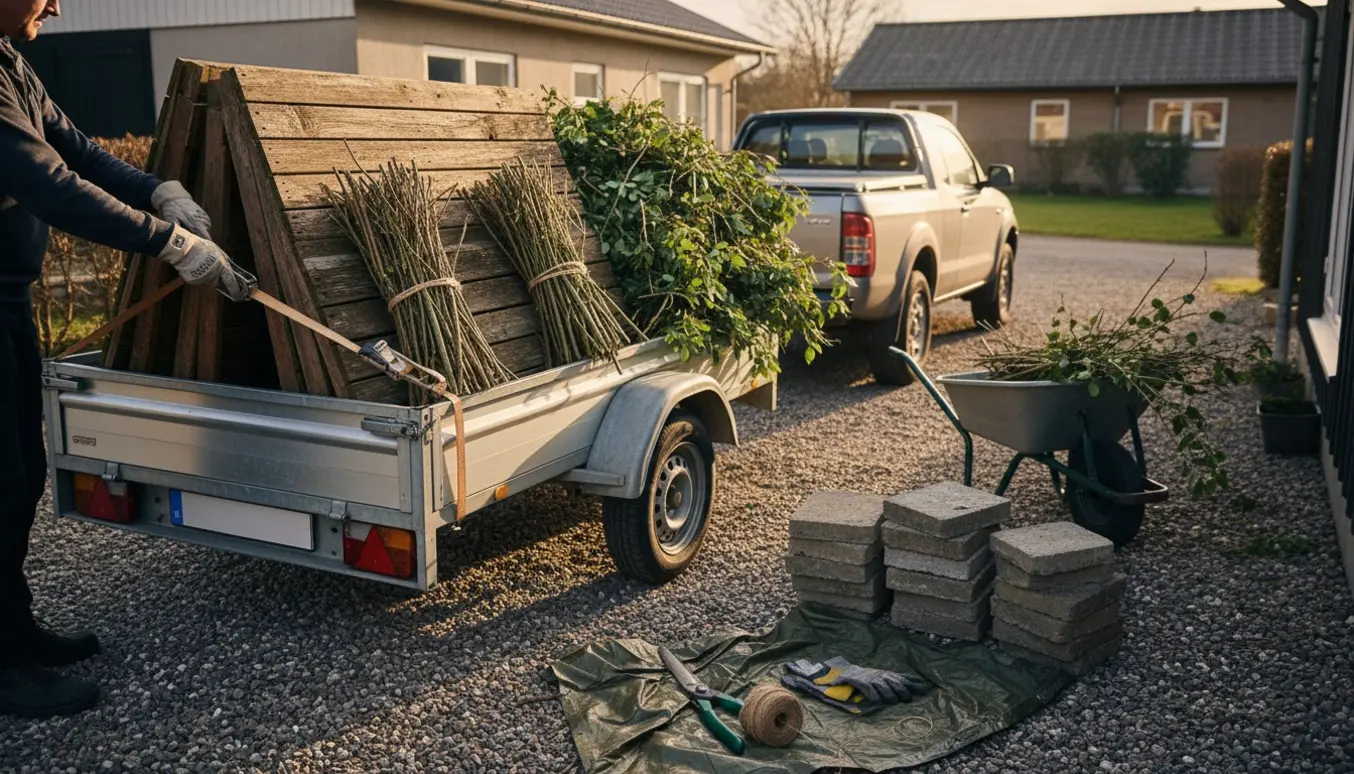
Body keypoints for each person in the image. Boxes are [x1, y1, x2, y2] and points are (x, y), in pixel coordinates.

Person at [0, 0, 250, 719]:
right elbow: (48, 183)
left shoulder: (7, 58)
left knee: (22, 473)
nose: (56, 4)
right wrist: (167, 243)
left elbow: (73, 147)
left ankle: (13, 631)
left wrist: (157, 191)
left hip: (8, 300)